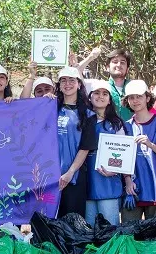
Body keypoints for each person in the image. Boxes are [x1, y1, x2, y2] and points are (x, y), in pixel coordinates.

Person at [122, 80, 156, 231]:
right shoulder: (125, 126)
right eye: (131, 97)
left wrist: (150, 144)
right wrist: (127, 180)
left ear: (147, 98)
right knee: (129, 235)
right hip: (132, 190)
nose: (135, 100)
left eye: (139, 96)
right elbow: (122, 158)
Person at [84, 79, 134, 226]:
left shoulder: (117, 124)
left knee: (109, 230)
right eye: (97, 93)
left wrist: (119, 171)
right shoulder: (83, 121)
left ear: (110, 100)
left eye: (105, 93)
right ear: (90, 97)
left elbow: (124, 153)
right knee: (89, 231)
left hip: (108, 183)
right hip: (87, 182)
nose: (100, 96)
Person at [55, 67, 97, 217]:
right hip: (50, 175)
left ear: (79, 84)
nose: (67, 84)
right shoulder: (50, 108)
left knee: (72, 219)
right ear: (59, 85)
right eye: (63, 81)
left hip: (74, 176)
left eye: (72, 80)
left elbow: (85, 148)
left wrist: (70, 172)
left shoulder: (88, 114)